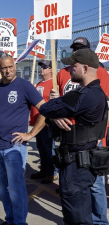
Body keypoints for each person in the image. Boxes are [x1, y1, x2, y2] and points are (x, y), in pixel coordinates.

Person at [0, 52, 46, 225]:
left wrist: (31, 134)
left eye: (10, 67)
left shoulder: (25, 86)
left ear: (15, 67)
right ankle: (10, 219)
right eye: (4, 68)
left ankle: (20, 222)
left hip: (15, 146)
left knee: (16, 188)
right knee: (4, 189)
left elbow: (44, 109)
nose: (7, 71)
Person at [39, 48, 108, 225]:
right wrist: (55, 115)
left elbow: (45, 108)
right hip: (80, 162)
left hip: (76, 167)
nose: (69, 70)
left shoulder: (84, 95)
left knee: (77, 219)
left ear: (85, 68)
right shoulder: (94, 93)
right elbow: (51, 114)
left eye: (73, 66)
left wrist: (54, 109)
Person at [30, 60, 58, 183]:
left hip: (47, 123)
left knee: (49, 148)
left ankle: (52, 172)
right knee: (41, 147)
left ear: (51, 69)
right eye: (41, 67)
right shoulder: (39, 83)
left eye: (45, 67)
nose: (42, 69)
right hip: (37, 122)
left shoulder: (54, 84)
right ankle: (44, 170)